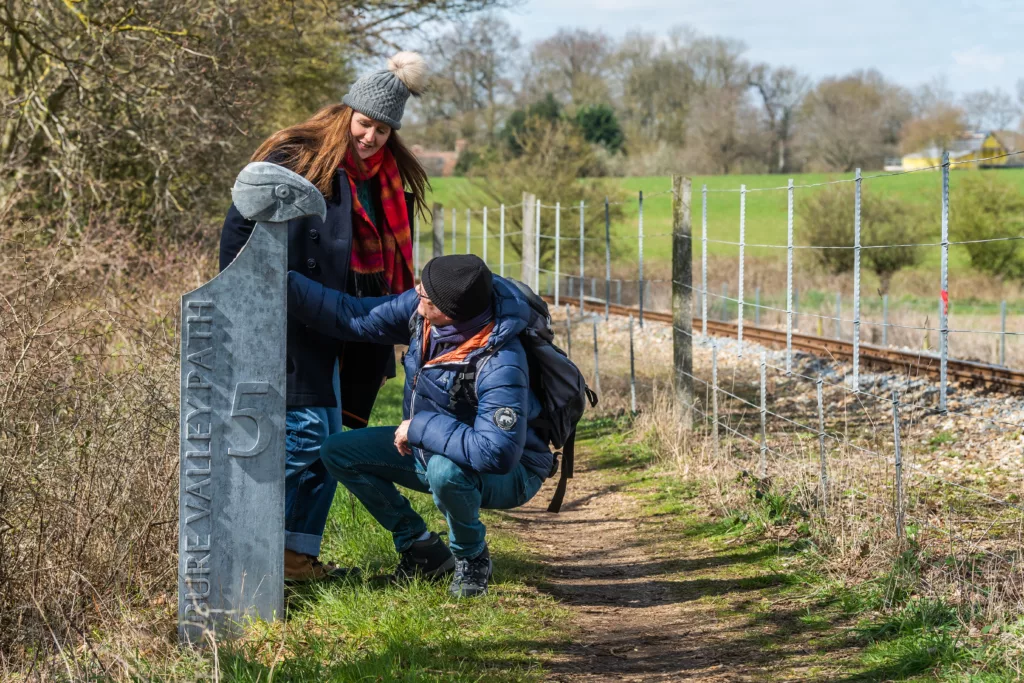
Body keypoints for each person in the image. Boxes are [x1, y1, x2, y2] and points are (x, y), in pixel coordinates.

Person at [218, 52, 429, 582]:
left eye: (384, 129)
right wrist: (261, 288)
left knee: (332, 444)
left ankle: (291, 556)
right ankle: (239, 540)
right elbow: (239, 229)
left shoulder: (384, 179)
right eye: (365, 123)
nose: (372, 137)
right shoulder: (297, 157)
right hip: (290, 319)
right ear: (347, 112)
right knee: (308, 434)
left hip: (349, 329)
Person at [287, 255, 553, 597]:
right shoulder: (423, 313)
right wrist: (285, 280)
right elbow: (352, 315)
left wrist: (419, 427)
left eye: (424, 293)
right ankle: (421, 549)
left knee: (446, 471)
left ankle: (471, 558)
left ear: (449, 311)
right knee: (337, 452)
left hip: (514, 472)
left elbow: (496, 452)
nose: (415, 292)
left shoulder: (501, 362)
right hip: (433, 446)